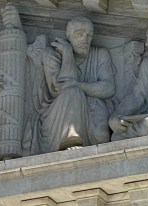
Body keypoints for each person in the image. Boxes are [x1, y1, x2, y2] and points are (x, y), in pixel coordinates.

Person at [36, 17, 115, 152]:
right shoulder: (51, 54)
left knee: (102, 136)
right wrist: (68, 54)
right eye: (79, 34)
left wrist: (79, 85)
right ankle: (71, 136)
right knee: (73, 92)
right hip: (59, 112)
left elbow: (109, 88)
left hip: (92, 108)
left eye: (89, 35)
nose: (85, 39)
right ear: (68, 35)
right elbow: (59, 88)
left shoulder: (100, 55)